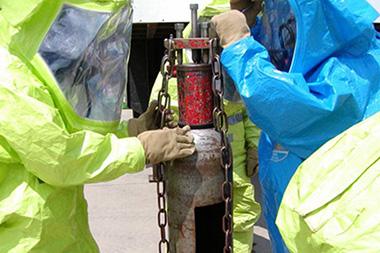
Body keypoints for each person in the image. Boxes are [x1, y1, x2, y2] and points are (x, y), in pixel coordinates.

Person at [0, 1, 195, 252]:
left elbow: (66, 130)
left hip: (57, 234)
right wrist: (139, 149)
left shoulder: (28, 67)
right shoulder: (9, 79)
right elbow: (60, 156)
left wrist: (131, 130)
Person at [211, 0, 380, 252]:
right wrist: (253, 23)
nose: (280, 26)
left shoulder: (356, 68)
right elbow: (274, 63)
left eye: (286, 19)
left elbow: (287, 108)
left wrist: (240, 46)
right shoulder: (312, 62)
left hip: (340, 236)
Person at [150, 1, 261, 252]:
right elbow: (163, 93)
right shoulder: (193, 39)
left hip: (234, 156)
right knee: (193, 222)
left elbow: (250, 103)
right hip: (194, 150)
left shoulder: (241, 39)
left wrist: (253, 144)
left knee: (240, 216)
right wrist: (163, 125)